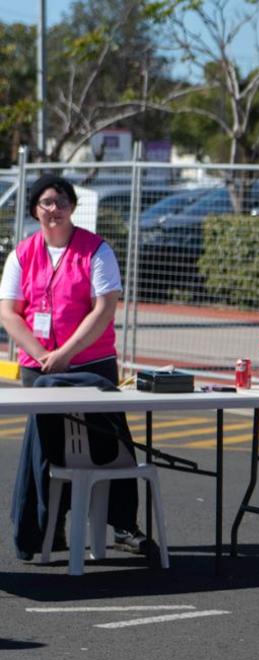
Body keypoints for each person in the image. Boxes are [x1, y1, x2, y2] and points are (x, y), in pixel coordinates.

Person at [1, 175, 150, 558]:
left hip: (92, 365)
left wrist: (65, 353)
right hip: (41, 369)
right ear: (35, 209)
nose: (54, 209)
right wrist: (41, 353)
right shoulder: (22, 254)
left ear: (72, 206)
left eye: (61, 201)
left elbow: (104, 308)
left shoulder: (96, 250)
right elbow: (9, 313)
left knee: (110, 441)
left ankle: (123, 525)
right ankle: (51, 527)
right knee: (49, 447)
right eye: (47, 202)